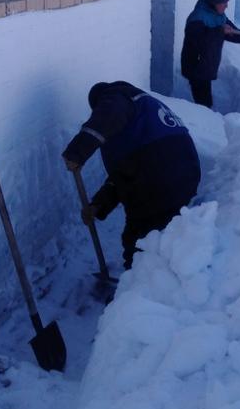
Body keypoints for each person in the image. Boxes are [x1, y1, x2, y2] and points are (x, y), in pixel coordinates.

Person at [62, 81, 201, 269]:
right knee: (166, 229)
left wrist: (76, 153)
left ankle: (141, 288)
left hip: (158, 175)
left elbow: (107, 120)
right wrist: (98, 205)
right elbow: (125, 172)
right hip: (184, 172)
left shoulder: (118, 96)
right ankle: (169, 276)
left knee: (139, 237)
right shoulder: (143, 112)